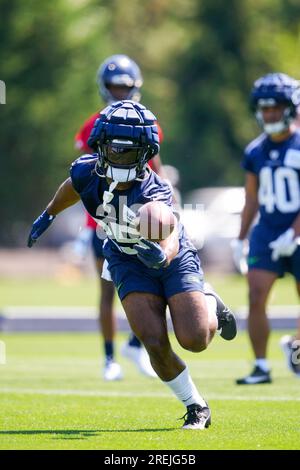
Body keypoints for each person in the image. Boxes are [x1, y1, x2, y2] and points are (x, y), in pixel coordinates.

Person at [27, 100, 237, 429]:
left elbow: (168, 237)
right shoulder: (86, 170)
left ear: (145, 153)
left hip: (172, 259)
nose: (119, 157)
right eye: (114, 149)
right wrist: (48, 214)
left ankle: (209, 300)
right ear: (100, 146)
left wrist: (163, 254)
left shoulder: (157, 189)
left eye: (129, 151)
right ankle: (196, 406)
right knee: (153, 341)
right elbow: (72, 187)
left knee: (195, 339)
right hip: (125, 259)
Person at [74, 55, 165, 381]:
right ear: (104, 88)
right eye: (114, 87)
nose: (120, 92)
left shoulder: (148, 122)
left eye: (125, 87)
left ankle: (135, 345)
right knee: (106, 288)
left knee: (154, 283)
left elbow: (156, 169)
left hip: (138, 217)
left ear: (135, 87)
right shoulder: (92, 124)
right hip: (102, 221)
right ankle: (109, 358)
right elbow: (83, 174)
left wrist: (169, 206)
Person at [231, 73, 300, 385]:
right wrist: (241, 237)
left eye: (276, 108)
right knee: (256, 296)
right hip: (267, 231)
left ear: (289, 108)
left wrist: (295, 232)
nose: (270, 114)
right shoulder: (255, 151)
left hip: (297, 229)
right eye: (265, 108)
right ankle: (261, 366)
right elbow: (251, 198)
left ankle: (295, 345)